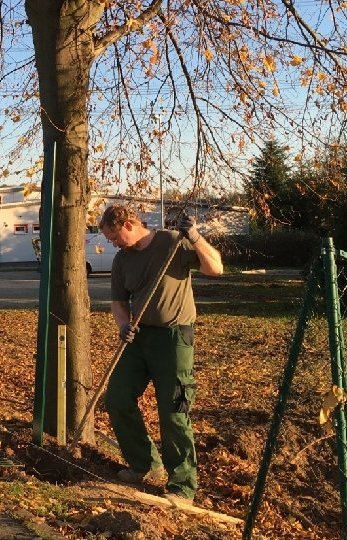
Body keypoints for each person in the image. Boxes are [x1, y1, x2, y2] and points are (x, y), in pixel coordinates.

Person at [99, 204, 223, 503]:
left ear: (128, 224)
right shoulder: (122, 259)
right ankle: (145, 465)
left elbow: (215, 268)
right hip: (138, 338)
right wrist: (124, 324)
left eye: (114, 236)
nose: (112, 243)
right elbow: (119, 302)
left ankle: (182, 485)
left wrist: (194, 237)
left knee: (175, 409)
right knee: (116, 396)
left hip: (174, 338)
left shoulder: (172, 242)